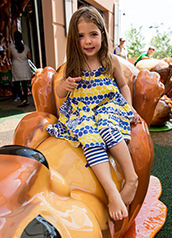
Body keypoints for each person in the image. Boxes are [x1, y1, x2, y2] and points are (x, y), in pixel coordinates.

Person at [46, 6, 142, 221]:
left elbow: (123, 86)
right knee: (90, 138)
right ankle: (111, 192)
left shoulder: (111, 60)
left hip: (107, 106)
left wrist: (129, 107)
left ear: (102, 35)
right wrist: (66, 85)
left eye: (93, 34)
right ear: (73, 39)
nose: (88, 41)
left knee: (108, 128)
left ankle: (131, 177)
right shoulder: (73, 63)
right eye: (81, 36)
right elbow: (59, 91)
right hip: (82, 110)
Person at [7, 31, 32, 107]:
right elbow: (29, 57)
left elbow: (8, 56)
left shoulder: (11, 47)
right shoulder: (26, 47)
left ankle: (22, 100)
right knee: (25, 84)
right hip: (24, 66)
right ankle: (26, 100)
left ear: (14, 38)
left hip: (16, 67)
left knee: (17, 84)